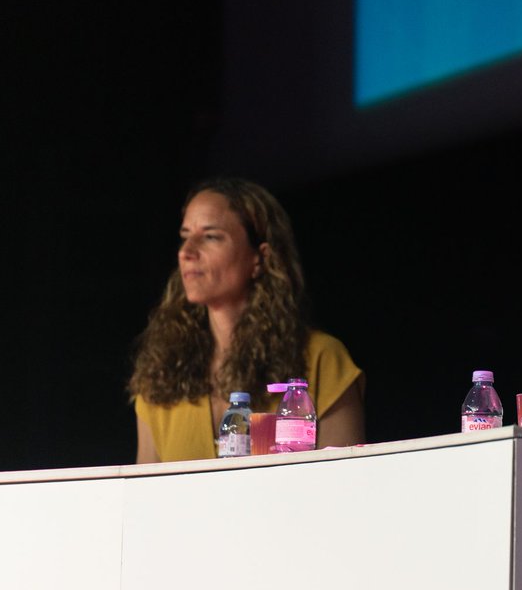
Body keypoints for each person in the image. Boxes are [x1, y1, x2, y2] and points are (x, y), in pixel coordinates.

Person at [128, 176, 365, 462]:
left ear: (260, 258)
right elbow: (146, 498)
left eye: (211, 236)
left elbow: (341, 488)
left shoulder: (320, 359)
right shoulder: (159, 372)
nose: (186, 252)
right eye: (185, 235)